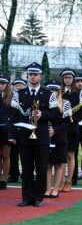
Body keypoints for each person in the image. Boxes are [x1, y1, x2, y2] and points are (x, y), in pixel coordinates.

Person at [12, 62, 60, 207]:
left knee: (41, 167)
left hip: (42, 137)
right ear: (28, 76)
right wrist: (13, 135)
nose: (33, 77)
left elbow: (56, 114)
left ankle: (38, 197)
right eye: (30, 74)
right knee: (26, 169)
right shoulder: (18, 94)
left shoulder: (49, 94)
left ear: (40, 76)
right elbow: (13, 116)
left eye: (35, 74)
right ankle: (26, 197)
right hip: (25, 137)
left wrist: (42, 114)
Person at [43, 80, 68, 198]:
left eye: (55, 90)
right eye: (50, 90)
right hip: (45, 137)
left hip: (59, 138)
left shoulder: (65, 103)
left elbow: (67, 123)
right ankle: (47, 189)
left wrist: (55, 131)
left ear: (59, 91)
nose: (52, 92)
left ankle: (56, 189)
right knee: (47, 165)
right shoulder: (42, 103)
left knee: (58, 165)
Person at [59, 69, 82, 192]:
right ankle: (61, 181)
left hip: (72, 127)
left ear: (73, 79)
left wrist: (73, 119)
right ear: (63, 79)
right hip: (61, 127)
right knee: (61, 155)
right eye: (65, 77)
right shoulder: (58, 92)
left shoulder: (78, 94)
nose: (67, 79)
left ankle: (69, 181)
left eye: (70, 77)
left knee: (70, 155)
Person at [7, 78, 26, 183]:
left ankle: (25, 173)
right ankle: (13, 174)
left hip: (24, 130)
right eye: (16, 84)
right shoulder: (9, 98)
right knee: (12, 154)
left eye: (21, 85)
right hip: (13, 129)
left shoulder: (27, 97)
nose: (18, 86)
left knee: (25, 154)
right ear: (13, 87)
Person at [0, 74, 15, 190]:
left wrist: (13, 133)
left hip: (7, 130)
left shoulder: (13, 97)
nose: (0, 85)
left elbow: (15, 116)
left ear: (7, 84)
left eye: (3, 83)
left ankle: (4, 179)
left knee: (5, 155)